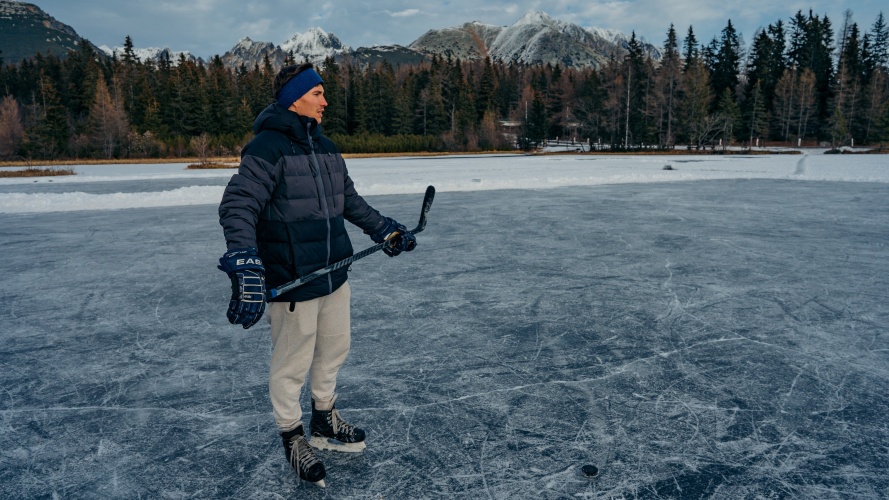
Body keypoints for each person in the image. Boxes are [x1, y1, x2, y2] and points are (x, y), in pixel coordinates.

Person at [217, 62, 416, 488]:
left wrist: (385, 229)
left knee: (333, 350)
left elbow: (350, 201)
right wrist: (246, 261)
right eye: (318, 93)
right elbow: (238, 207)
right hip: (293, 279)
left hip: (334, 274)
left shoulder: (325, 147)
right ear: (295, 97)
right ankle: (292, 436)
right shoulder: (266, 148)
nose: (326, 101)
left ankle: (324, 421)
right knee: (292, 364)